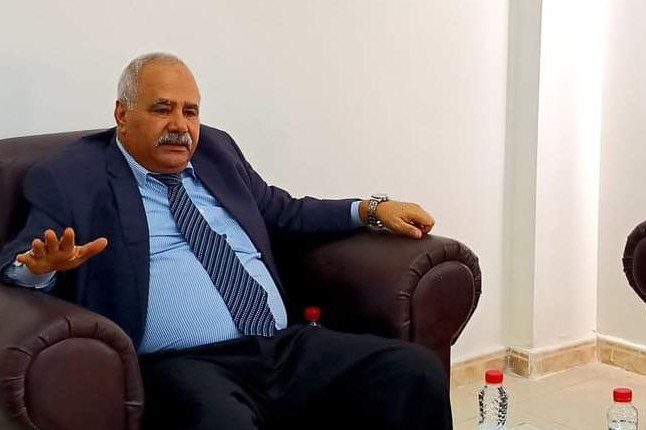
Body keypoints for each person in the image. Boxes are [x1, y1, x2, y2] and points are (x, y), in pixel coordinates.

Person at [0, 53, 452, 430]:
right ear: (122, 114)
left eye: (190, 111)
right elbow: (22, 260)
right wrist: (40, 269)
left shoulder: (217, 151)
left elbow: (283, 210)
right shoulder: (70, 177)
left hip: (281, 346)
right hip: (186, 364)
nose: (180, 126)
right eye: (162, 109)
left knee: (413, 371)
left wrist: (369, 209)